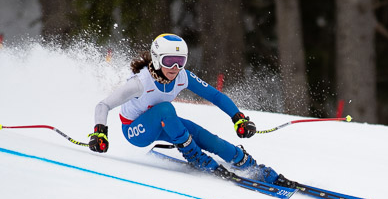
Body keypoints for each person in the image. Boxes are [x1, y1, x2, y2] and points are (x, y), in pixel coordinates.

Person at [88, 33, 295, 187]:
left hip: (165, 124)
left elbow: (215, 95)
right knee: (166, 109)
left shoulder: (182, 77)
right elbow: (103, 105)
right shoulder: (140, 83)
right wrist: (100, 133)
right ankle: (194, 155)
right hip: (136, 130)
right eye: (170, 61)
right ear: (157, 58)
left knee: (208, 138)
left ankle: (251, 166)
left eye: (181, 62)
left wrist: (238, 118)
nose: (175, 68)